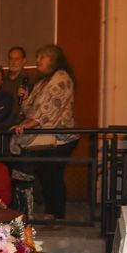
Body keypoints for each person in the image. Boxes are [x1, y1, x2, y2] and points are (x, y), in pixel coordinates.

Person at [10, 44, 80, 220]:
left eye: (41, 57)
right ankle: (51, 212)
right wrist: (25, 99)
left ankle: (57, 214)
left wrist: (29, 124)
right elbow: (30, 110)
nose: (38, 61)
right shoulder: (41, 82)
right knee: (45, 172)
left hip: (61, 138)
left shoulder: (61, 77)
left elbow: (49, 109)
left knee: (53, 172)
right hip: (45, 137)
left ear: (53, 59)